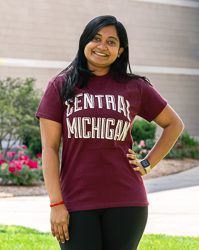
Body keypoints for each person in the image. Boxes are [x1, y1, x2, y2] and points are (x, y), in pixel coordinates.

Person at [36, 15, 184, 250]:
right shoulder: (60, 86)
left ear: (120, 50)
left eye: (111, 41)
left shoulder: (135, 87)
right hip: (76, 200)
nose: (102, 46)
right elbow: (50, 149)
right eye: (96, 38)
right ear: (85, 42)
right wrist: (56, 204)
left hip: (127, 199)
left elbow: (174, 124)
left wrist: (147, 163)